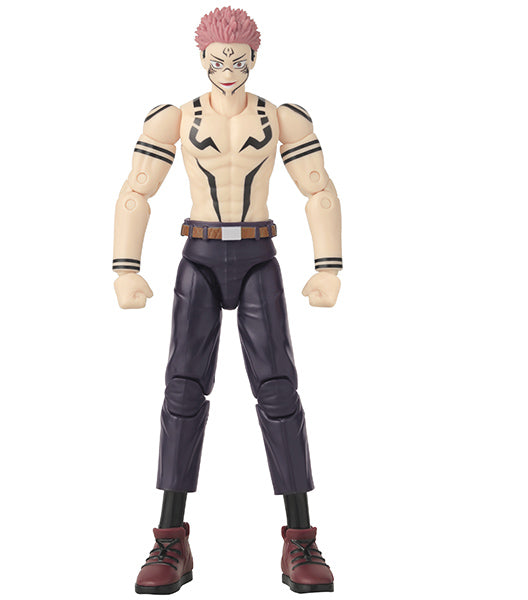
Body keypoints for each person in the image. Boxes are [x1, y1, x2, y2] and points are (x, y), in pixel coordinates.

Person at [112, 7, 342, 594]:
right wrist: (126, 268)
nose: (229, 70)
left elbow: (317, 188)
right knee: (182, 392)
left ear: (255, 59)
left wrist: (327, 266)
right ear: (201, 60)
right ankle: (170, 537)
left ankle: (300, 538)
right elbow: (138, 190)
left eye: (238, 60)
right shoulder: (176, 118)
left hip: (260, 254)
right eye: (218, 60)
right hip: (201, 255)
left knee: (279, 391)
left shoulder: (282, 117)